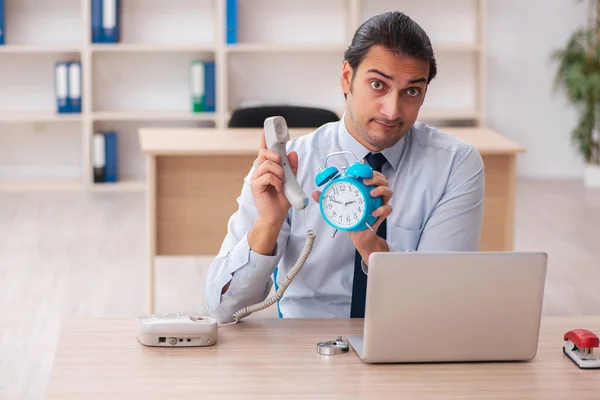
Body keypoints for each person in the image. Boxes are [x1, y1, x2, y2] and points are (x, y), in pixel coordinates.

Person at [205, 11, 485, 323]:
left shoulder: (455, 164)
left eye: (411, 91)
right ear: (347, 77)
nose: (392, 110)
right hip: (307, 349)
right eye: (378, 84)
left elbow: (443, 303)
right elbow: (223, 310)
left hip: (408, 340)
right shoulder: (289, 165)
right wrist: (268, 225)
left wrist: (373, 249)